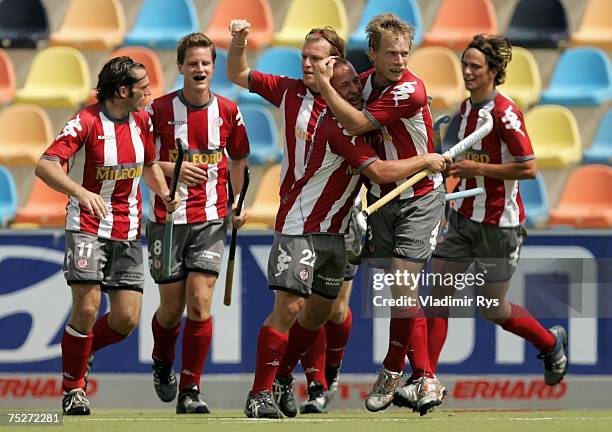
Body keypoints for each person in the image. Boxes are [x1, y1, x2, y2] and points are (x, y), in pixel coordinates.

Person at [395, 34, 569, 408]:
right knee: (437, 299)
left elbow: (530, 168)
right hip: (462, 219)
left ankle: (550, 343)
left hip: (499, 225)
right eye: (466, 65)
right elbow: (460, 162)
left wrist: (478, 167)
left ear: (494, 72)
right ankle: (426, 380)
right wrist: (445, 201)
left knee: (493, 309)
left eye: (476, 66)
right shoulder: (467, 109)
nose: (468, 72)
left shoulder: (505, 114)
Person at [314, 13, 448, 415]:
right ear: (372, 53)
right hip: (383, 198)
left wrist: (322, 84)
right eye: (391, 53)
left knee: (404, 284)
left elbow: (355, 125)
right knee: (399, 289)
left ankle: (393, 370)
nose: (401, 60)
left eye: (406, 52)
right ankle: (421, 375)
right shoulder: (366, 83)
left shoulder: (411, 90)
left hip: (420, 196)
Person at [35, 56, 179, 415]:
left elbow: (147, 164)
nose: (149, 92)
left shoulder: (142, 121)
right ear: (122, 91)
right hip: (86, 225)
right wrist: (80, 193)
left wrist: (163, 192)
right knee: (87, 307)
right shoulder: (84, 122)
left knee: (126, 319)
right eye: (142, 87)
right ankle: (73, 389)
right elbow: (45, 165)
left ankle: (84, 353)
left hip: (127, 229)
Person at [227, 21, 351, 416]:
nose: (307, 65)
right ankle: (259, 394)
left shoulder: (355, 99)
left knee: (321, 314)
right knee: (291, 307)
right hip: (298, 222)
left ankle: (284, 376)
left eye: (315, 59)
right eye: (304, 57)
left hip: (341, 226)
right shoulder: (289, 91)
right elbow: (237, 73)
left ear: (335, 62)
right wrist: (239, 42)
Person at [145, 32, 249, 414]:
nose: (200, 69)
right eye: (193, 63)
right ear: (180, 68)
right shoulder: (157, 110)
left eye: (206, 63)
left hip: (209, 219)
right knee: (171, 310)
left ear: (213, 67)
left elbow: (238, 160)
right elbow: (143, 161)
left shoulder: (228, 111)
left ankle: (190, 388)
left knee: (200, 304)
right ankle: (161, 362)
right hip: (167, 219)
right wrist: (174, 169)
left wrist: (238, 201)